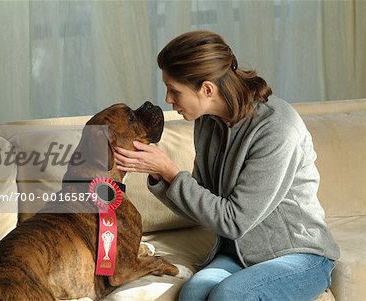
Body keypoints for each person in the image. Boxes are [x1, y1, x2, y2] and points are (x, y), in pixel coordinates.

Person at [114, 30, 340, 301]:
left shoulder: (277, 128)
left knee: (230, 294)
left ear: (207, 89)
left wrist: (170, 171)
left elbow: (233, 221)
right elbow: (201, 208)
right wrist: (158, 173)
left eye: (174, 90)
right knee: (194, 292)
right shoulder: (207, 122)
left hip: (300, 256)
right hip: (238, 255)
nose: (168, 100)